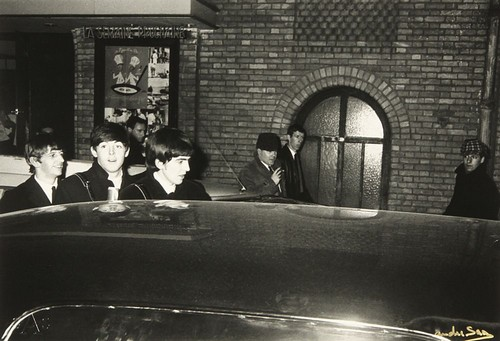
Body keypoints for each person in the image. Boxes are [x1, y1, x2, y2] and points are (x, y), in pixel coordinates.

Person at [119, 127, 211, 200]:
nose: (187, 168)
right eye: (180, 161)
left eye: (188, 161)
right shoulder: (134, 194)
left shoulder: (195, 191)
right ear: (160, 163)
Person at [55, 122, 133, 203]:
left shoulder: (139, 188)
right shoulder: (71, 187)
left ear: (126, 151)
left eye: (118, 146)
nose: (111, 152)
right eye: (104, 146)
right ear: (94, 151)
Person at [0, 133, 64, 213]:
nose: (62, 160)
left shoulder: (73, 190)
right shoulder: (13, 198)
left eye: (61, 154)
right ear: (35, 161)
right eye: (53, 155)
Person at [444, 138, 499, 220]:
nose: (469, 161)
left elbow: (488, 214)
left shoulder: (486, 184)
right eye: (466, 156)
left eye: (474, 157)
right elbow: (455, 204)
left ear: (482, 160)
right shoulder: (461, 177)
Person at [239, 132, 286, 196]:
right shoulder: (247, 171)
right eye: (269, 151)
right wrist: (272, 183)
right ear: (259, 151)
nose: (273, 155)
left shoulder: (277, 166)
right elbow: (250, 196)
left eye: (275, 151)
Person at [278, 124, 312, 202]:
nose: (300, 140)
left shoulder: (296, 156)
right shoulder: (281, 157)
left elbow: (300, 185)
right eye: (297, 136)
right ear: (289, 137)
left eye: (302, 137)